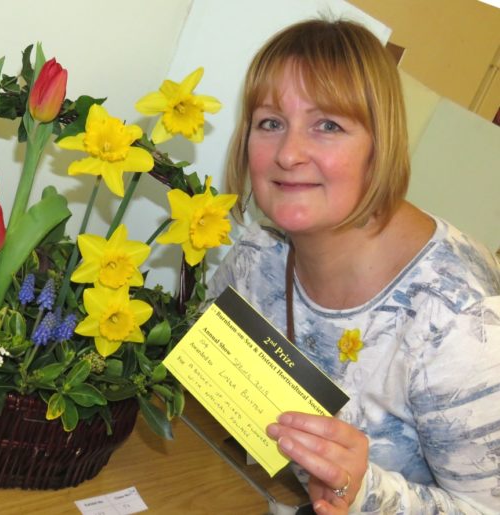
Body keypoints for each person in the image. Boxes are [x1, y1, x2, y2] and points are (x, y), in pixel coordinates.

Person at [207, 18, 500, 514]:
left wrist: (364, 492)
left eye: (328, 126)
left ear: (378, 147)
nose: (288, 153)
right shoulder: (258, 254)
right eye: (270, 123)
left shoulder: (461, 324)